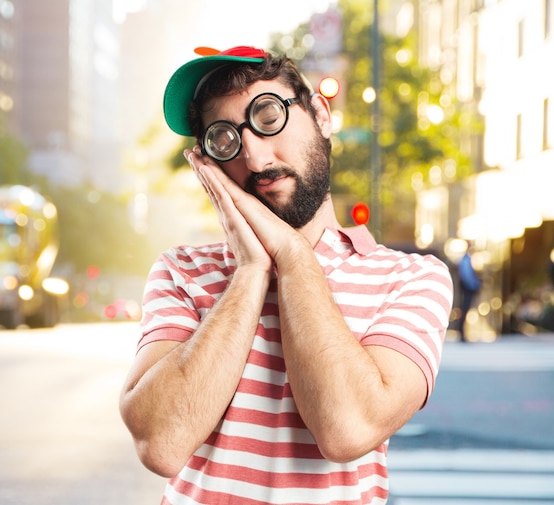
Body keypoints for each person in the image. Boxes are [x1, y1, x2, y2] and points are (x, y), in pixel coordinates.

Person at [119, 46, 454, 505]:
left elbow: (347, 429)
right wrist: (252, 270)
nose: (256, 159)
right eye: (225, 140)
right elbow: (161, 443)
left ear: (319, 113)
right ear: (209, 163)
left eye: (268, 116)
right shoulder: (181, 271)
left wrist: (292, 255)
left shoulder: (412, 277)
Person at [456, 246, 481, 342]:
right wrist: (475, 285)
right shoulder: (466, 260)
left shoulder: (467, 259)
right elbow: (467, 276)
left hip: (468, 287)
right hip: (468, 288)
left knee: (464, 310)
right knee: (464, 310)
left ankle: (462, 332)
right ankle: (461, 333)